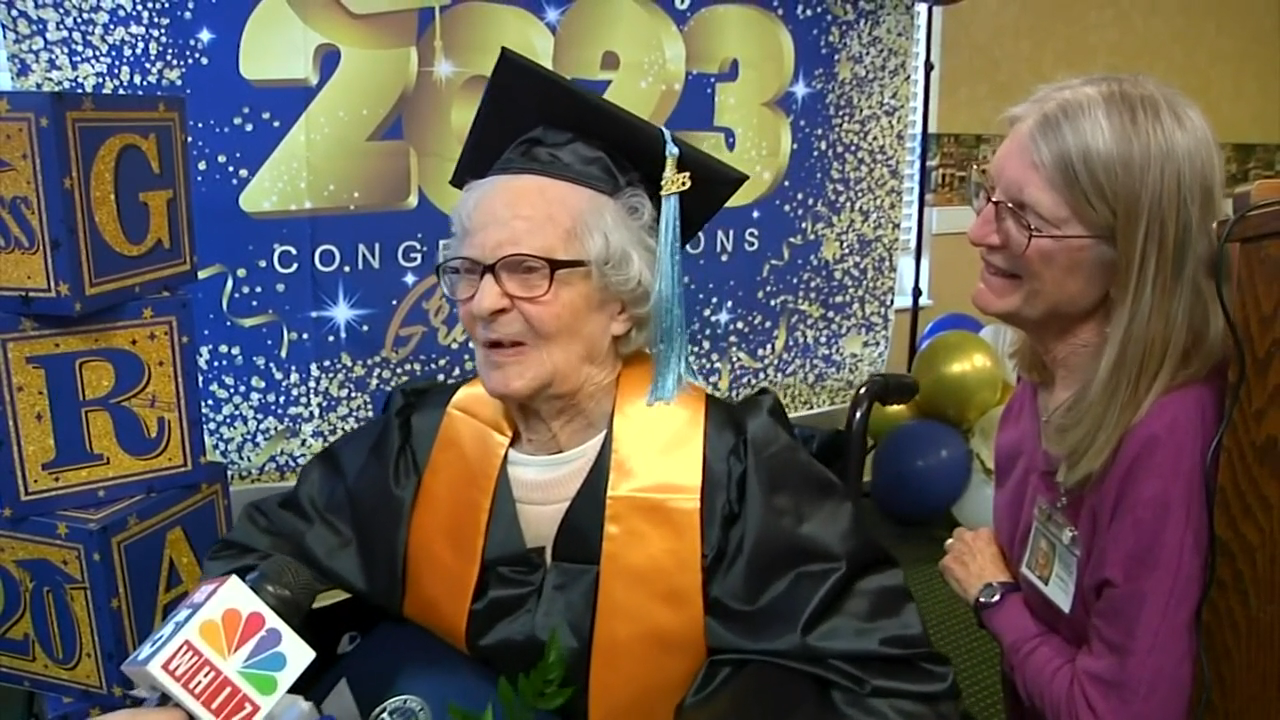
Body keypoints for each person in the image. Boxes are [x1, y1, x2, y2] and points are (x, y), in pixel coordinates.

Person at [205, 49, 962, 720]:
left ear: (623, 300)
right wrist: (191, 704)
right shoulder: (421, 442)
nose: (484, 300)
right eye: (467, 270)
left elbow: (895, 690)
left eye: (529, 270)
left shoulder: (735, 471)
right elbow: (259, 568)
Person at [938, 74, 1225, 719]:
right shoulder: (1039, 377)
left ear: (1131, 255)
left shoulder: (1165, 434)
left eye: (1025, 218)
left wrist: (994, 600)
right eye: (988, 195)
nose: (980, 233)